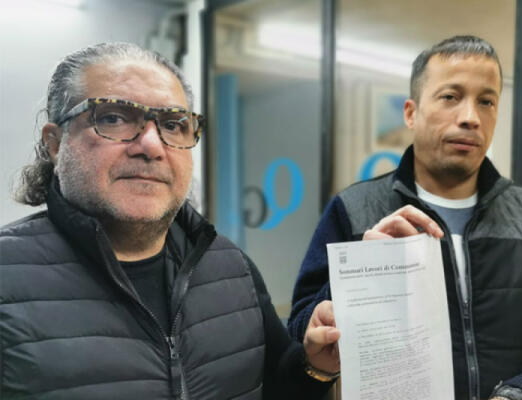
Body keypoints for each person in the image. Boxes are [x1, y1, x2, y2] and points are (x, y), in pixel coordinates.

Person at [0, 42, 341, 400]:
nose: (151, 145)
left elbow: (276, 386)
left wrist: (314, 367)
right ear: (56, 144)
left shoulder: (230, 267)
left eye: (173, 124)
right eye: (113, 117)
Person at [288, 35, 522, 400]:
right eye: (451, 97)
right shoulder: (354, 210)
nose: (470, 118)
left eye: (486, 102)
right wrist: (358, 281)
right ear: (411, 113)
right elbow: (300, 334)